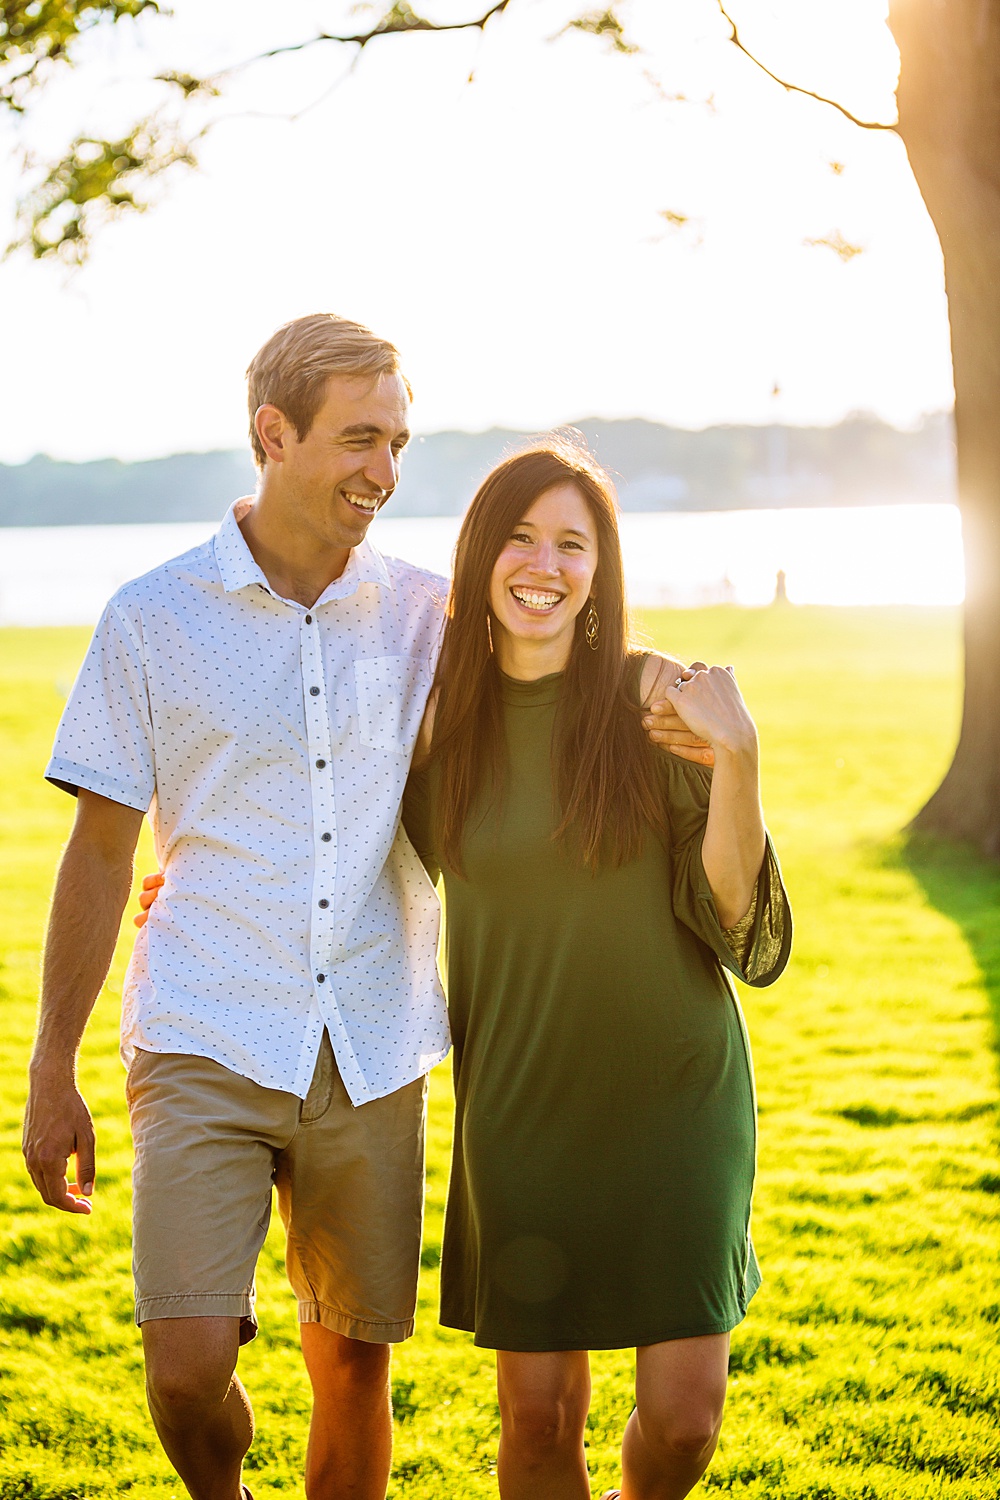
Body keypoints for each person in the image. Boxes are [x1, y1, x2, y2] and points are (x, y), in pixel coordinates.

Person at [22, 316, 700, 1500]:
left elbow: (562, 638)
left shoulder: (432, 618)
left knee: (351, 1369)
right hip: (204, 1024)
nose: (384, 474)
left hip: (373, 1040)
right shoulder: (150, 616)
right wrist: (49, 1066)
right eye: (356, 441)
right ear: (270, 435)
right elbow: (97, 852)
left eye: (397, 441)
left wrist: (677, 699)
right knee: (185, 1368)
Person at [400, 437, 792, 1500]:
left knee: (680, 1424)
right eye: (521, 537)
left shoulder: (651, 706)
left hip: (674, 1100)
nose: (545, 564)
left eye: (572, 544)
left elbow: (729, 912)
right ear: (481, 557)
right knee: (535, 1423)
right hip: (520, 1101)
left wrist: (739, 759)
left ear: (598, 572)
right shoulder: (433, 724)